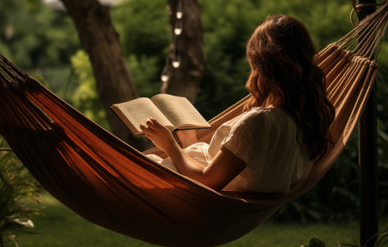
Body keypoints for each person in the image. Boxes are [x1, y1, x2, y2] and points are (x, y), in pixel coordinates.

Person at [141, 15, 335, 193]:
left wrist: (169, 145)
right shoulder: (305, 127)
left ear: (261, 65)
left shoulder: (259, 121)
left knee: (112, 166)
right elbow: (228, 171)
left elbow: (207, 181)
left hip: (160, 183)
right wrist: (189, 141)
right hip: (181, 186)